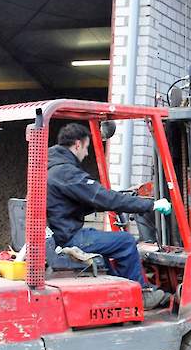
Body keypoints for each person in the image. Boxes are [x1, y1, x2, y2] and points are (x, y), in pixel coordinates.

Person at [47, 123, 173, 309]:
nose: (87, 153)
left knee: (106, 250)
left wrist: (114, 199)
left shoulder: (51, 169)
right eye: (87, 147)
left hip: (61, 233)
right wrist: (151, 204)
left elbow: (73, 205)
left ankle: (124, 292)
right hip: (69, 238)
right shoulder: (66, 172)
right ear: (77, 144)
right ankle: (142, 295)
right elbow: (103, 197)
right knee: (125, 241)